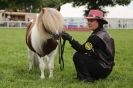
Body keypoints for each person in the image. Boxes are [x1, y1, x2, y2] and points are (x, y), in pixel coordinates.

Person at [61, 9, 115, 82]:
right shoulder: (102, 33)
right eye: (88, 21)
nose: (89, 23)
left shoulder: (96, 37)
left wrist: (70, 38)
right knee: (83, 55)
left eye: (92, 21)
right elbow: (88, 50)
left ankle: (86, 78)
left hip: (103, 69)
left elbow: (81, 49)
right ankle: (83, 76)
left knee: (78, 55)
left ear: (99, 22)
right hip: (106, 68)